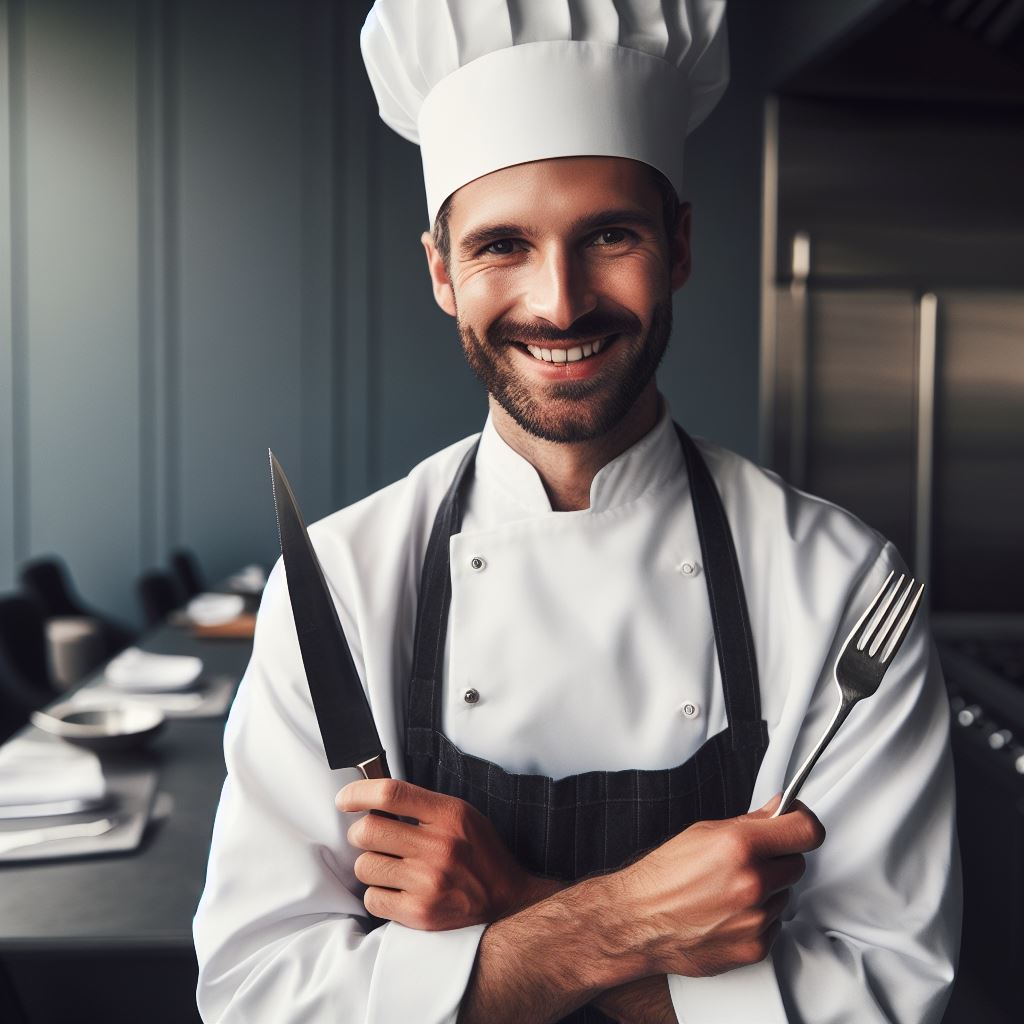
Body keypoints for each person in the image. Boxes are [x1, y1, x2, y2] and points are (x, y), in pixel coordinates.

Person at [193, 2, 961, 1021]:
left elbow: (886, 997)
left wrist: (516, 907)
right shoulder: (337, 584)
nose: (559, 303)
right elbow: (262, 996)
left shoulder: (839, 586)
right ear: (439, 271)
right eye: (502, 244)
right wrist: (627, 924)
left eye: (609, 234)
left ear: (679, 246)